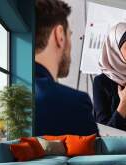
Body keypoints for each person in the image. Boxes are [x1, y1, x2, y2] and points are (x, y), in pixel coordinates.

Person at [34, 0, 98, 136]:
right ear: (60, 35)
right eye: (70, 34)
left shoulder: (13, 92)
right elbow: (95, 156)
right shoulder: (74, 103)